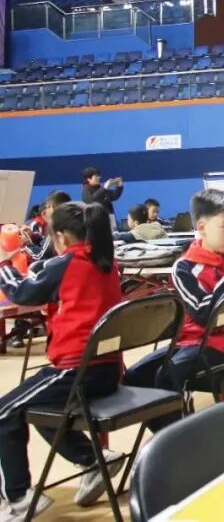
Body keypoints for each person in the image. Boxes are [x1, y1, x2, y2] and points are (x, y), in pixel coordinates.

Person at [0, 203, 124, 518]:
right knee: (41, 407)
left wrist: (3, 264)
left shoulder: (67, 263)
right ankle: (94, 460)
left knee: (4, 413)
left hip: (78, 369)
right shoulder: (106, 262)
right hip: (108, 369)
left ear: (61, 237)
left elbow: (22, 293)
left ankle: (18, 498)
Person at [125, 190, 224, 431]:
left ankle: (182, 437)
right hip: (193, 342)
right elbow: (202, 313)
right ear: (202, 227)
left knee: (169, 374)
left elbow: (212, 317)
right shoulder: (185, 267)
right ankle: (170, 435)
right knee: (135, 377)